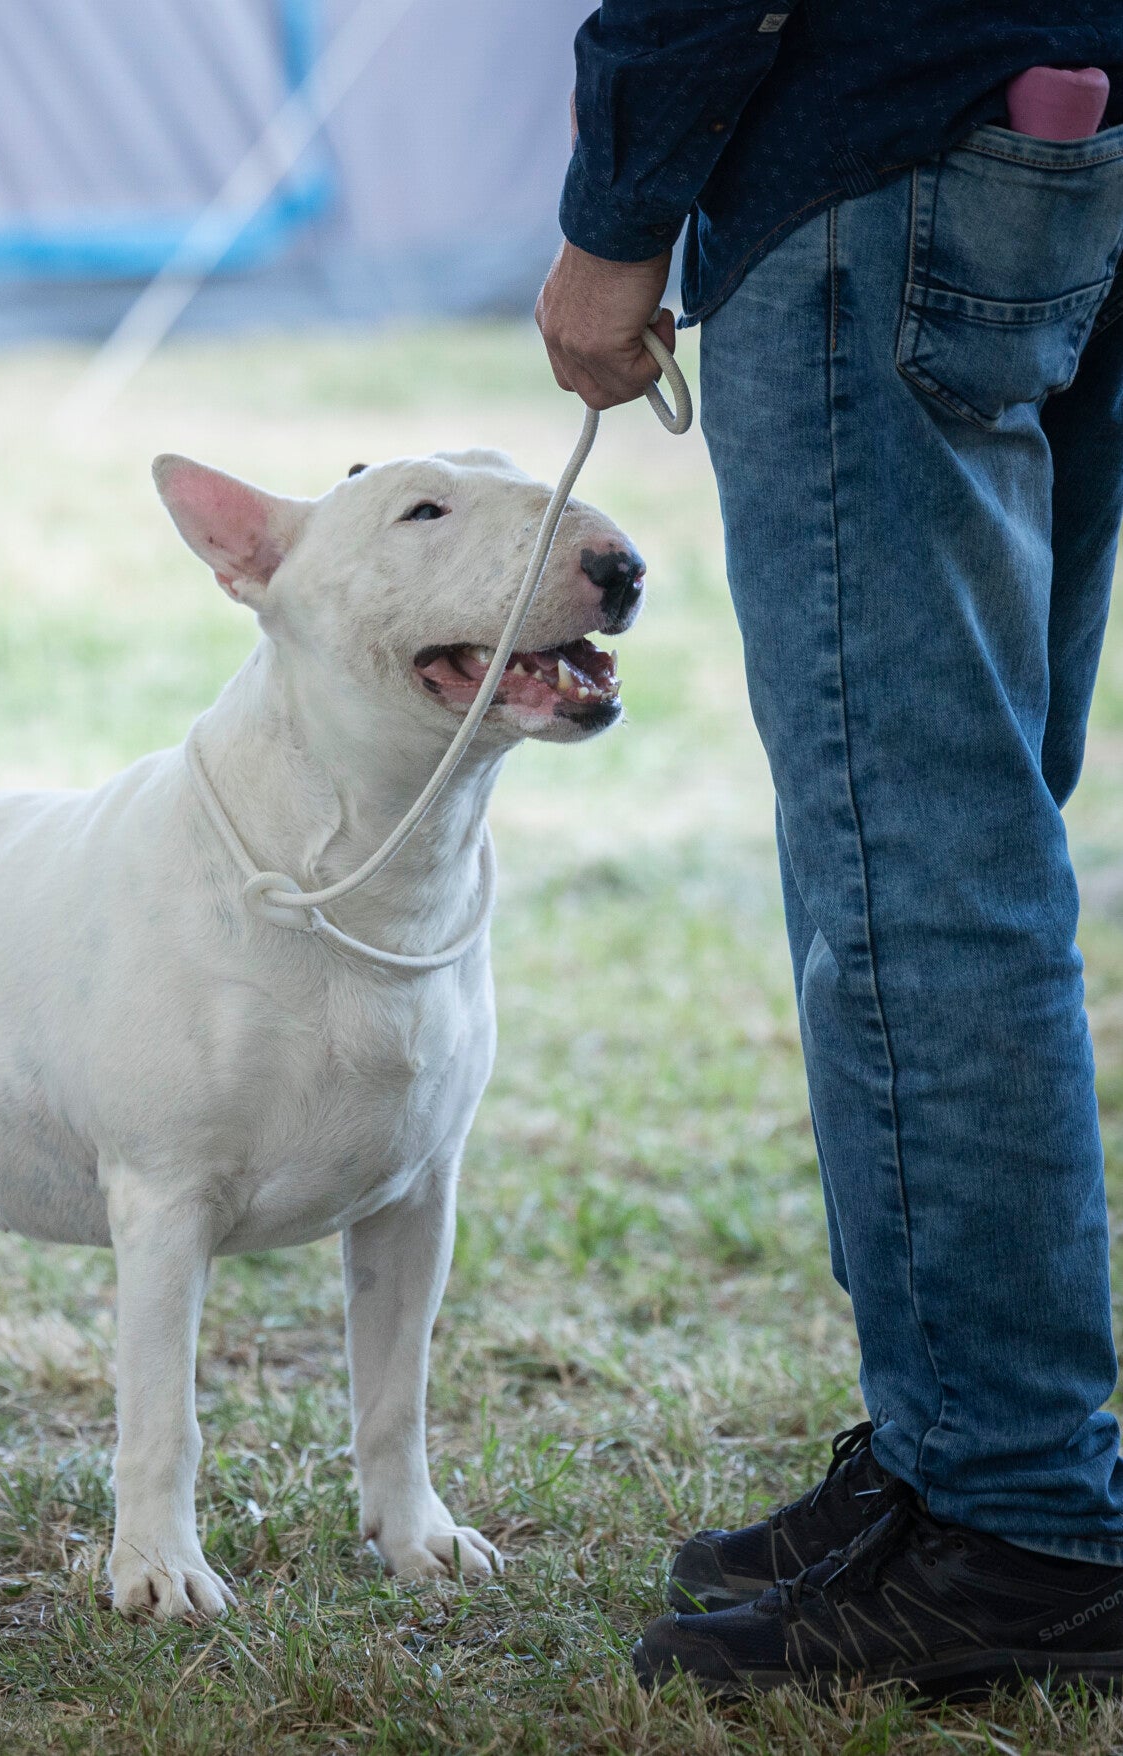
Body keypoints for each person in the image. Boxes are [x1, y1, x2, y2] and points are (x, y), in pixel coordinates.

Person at [535, 1, 1123, 1697]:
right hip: (1053, 129)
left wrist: (616, 217)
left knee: (920, 864)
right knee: (972, 835)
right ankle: (961, 1463)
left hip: (883, 154)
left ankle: (1020, 1523)